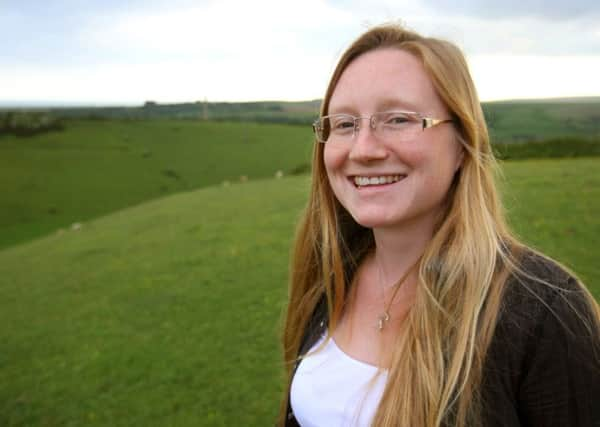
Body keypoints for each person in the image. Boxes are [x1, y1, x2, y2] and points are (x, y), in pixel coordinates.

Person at [278, 24, 600, 427]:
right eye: (344, 124)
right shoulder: (330, 275)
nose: (362, 150)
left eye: (397, 119)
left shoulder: (545, 312)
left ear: (463, 143)